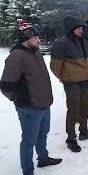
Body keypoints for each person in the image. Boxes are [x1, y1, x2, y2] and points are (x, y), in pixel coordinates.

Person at [0, 20, 62, 175]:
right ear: (25, 39)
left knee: (43, 134)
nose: (38, 40)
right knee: (28, 140)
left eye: (38, 37)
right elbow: (6, 86)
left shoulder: (36, 52)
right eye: (35, 38)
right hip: (29, 107)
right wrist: (21, 100)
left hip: (44, 103)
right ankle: (28, 170)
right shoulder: (16, 56)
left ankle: (43, 158)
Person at [50, 16, 88, 153]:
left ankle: (83, 131)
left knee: (84, 107)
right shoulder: (61, 43)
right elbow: (55, 66)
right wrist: (64, 78)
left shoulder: (82, 40)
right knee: (73, 110)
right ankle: (71, 138)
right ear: (71, 29)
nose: (81, 30)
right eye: (78, 28)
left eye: (82, 28)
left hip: (85, 80)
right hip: (71, 83)